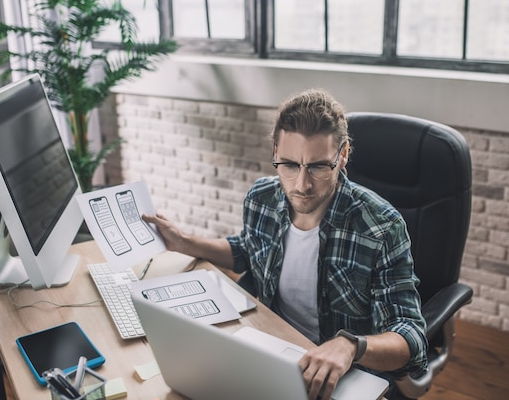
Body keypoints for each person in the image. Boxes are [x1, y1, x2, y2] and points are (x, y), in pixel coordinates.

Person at [143, 88, 428, 400]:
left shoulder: (381, 226)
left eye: (318, 166)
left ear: (342, 155)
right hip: (270, 347)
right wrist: (184, 242)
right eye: (290, 165)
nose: (302, 185)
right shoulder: (261, 199)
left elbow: (412, 338)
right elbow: (248, 250)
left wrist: (350, 345)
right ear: (275, 151)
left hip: (339, 375)